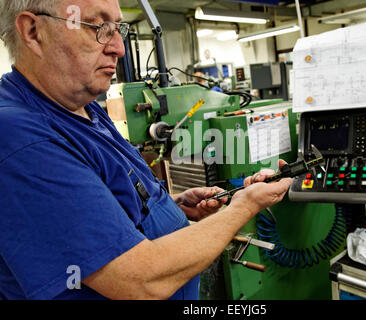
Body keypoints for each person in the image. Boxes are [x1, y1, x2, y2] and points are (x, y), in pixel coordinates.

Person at [0, 0, 292, 300]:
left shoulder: (82, 107)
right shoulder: (19, 137)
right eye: (99, 27)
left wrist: (169, 209)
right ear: (34, 32)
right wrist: (243, 206)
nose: (119, 48)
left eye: (118, 29)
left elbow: (100, 211)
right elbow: (139, 281)